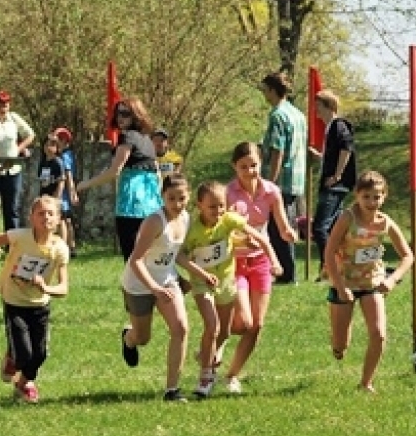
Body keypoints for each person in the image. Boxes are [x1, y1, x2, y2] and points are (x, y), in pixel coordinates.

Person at [179, 181, 279, 399]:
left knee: (224, 332)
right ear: (200, 205)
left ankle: (207, 359)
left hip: (226, 282)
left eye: (222, 206)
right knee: (212, 326)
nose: (218, 211)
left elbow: (259, 236)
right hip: (202, 283)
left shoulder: (229, 220)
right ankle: (205, 377)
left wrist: (274, 261)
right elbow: (179, 255)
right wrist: (201, 274)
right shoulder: (192, 229)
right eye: (212, 207)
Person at [0, 195, 69, 403]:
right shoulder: (20, 236)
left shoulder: (60, 249)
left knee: (40, 354)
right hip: (14, 301)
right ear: (31, 218)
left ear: (59, 219)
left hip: (40, 305)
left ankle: (22, 382)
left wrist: (46, 287)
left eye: (51, 214)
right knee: (24, 354)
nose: (46, 218)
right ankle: (18, 366)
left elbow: (64, 288)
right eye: (40, 213)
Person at [324, 171, 413, 393]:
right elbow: (329, 252)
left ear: (384, 197)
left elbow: (408, 256)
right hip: (344, 282)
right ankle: (339, 343)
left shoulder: (385, 222)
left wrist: (392, 279)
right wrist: (341, 287)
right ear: (357, 196)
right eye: (366, 197)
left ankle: (366, 383)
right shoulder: (348, 218)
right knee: (340, 344)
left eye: (376, 197)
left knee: (379, 333)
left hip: (372, 281)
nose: (371, 202)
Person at [221, 142, 296, 393]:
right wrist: (241, 239)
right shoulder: (228, 194)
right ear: (234, 167)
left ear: (260, 164)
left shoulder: (271, 191)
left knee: (257, 325)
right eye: (243, 167)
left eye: (253, 165)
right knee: (242, 321)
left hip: (260, 261)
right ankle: (218, 337)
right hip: (235, 262)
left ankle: (231, 375)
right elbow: (221, 230)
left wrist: (290, 234)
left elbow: (282, 226)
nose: (249, 171)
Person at [119, 174, 191, 402]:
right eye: (171, 199)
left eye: (181, 198)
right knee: (143, 338)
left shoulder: (186, 218)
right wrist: (154, 288)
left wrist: (197, 274)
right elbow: (136, 260)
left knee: (180, 328)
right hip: (139, 282)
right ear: (162, 197)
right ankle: (128, 338)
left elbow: (175, 253)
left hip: (167, 281)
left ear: (188, 196)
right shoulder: (154, 222)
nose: (177, 204)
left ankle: (172, 390)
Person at [76, 97, 161, 261]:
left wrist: (86, 184)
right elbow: (157, 175)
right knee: (150, 259)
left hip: (131, 207)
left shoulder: (127, 136)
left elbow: (115, 171)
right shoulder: (147, 141)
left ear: (136, 115)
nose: (120, 117)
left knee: (132, 261)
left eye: (125, 113)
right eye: (117, 114)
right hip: (153, 207)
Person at [259, 71, 307, 284]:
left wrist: (270, 181)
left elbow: (277, 150)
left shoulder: (277, 115)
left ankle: (287, 274)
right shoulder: (298, 115)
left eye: (265, 90)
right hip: (296, 179)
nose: (264, 94)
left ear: (272, 90)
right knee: (286, 225)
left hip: (282, 180)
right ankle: (286, 271)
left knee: (280, 228)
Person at [309, 89, 357, 279]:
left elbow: (346, 148)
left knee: (320, 227)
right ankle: (342, 264)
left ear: (329, 106)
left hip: (336, 184)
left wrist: (337, 175)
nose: (316, 112)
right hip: (332, 181)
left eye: (318, 107)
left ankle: (328, 268)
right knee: (335, 228)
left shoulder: (339, 125)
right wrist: (320, 157)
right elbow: (337, 153)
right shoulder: (330, 128)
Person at [0, 90, 35, 232]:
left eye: (5, 105)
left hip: (12, 169)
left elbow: (30, 134)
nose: (3, 108)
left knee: (11, 209)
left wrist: (19, 149)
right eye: (0, 105)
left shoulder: (13, 118)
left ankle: (12, 243)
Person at [54, 127, 79, 255]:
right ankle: (72, 246)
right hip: (66, 193)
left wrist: (72, 193)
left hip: (64, 194)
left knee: (63, 219)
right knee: (68, 219)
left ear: (64, 140)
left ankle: (65, 247)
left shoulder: (65, 156)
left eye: (58, 139)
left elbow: (68, 175)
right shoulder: (68, 154)